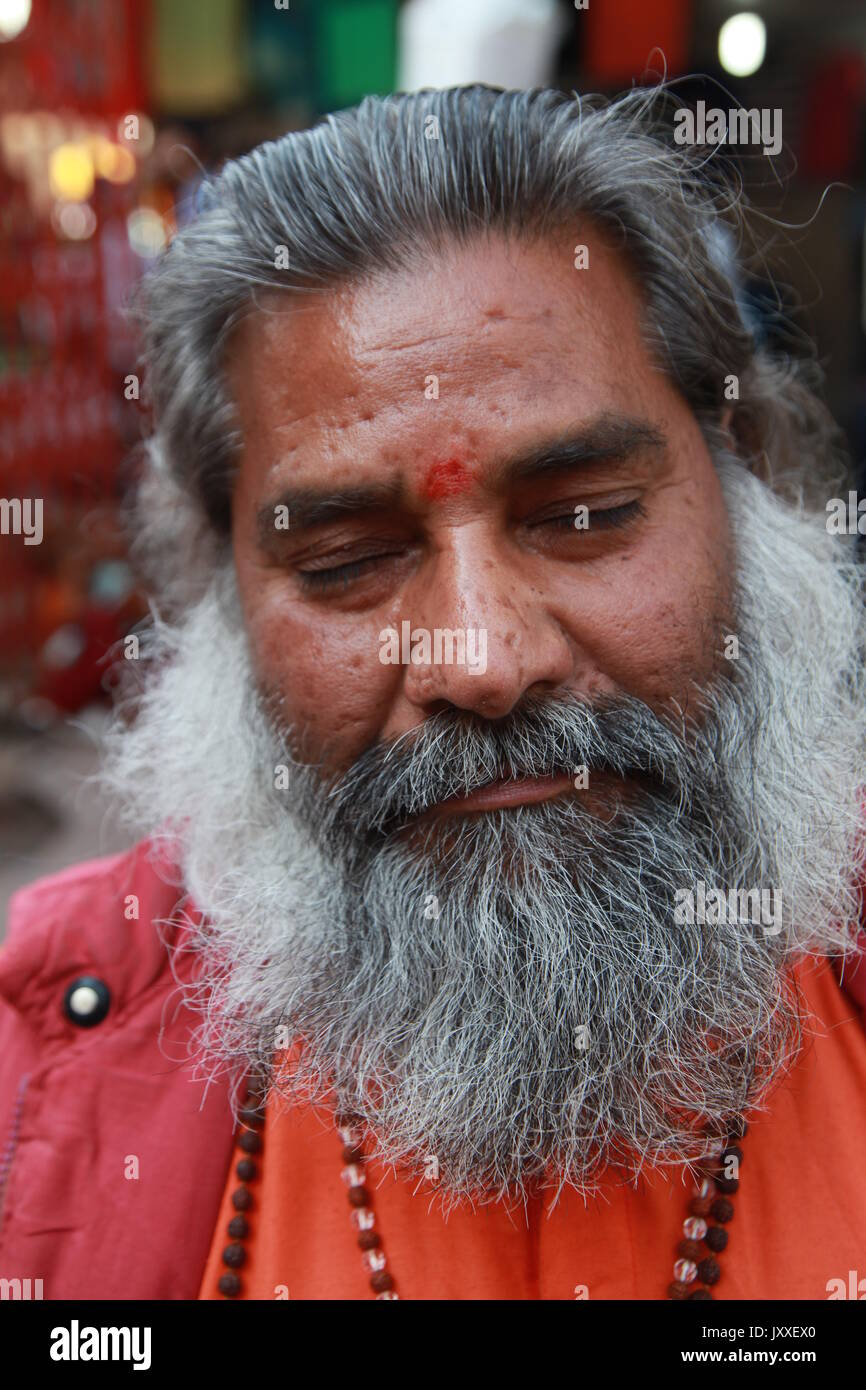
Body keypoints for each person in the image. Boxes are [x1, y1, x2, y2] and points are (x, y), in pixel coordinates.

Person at [2, 85, 865, 1302]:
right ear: (224, 607)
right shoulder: (39, 1085)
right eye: (347, 563)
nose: (482, 659)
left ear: (748, 492)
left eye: (584, 517)